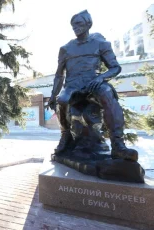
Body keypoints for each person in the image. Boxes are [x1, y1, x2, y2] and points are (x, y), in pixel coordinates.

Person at [47, 10, 137, 161]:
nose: (75, 27)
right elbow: (58, 75)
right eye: (73, 24)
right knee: (62, 101)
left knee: (107, 94)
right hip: (72, 86)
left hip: (93, 83)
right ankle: (66, 135)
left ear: (88, 24)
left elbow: (115, 67)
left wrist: (101, 77)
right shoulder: (66, 48)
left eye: (79, 23)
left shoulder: (101, 44)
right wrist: (53, 94)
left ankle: (118, 146)